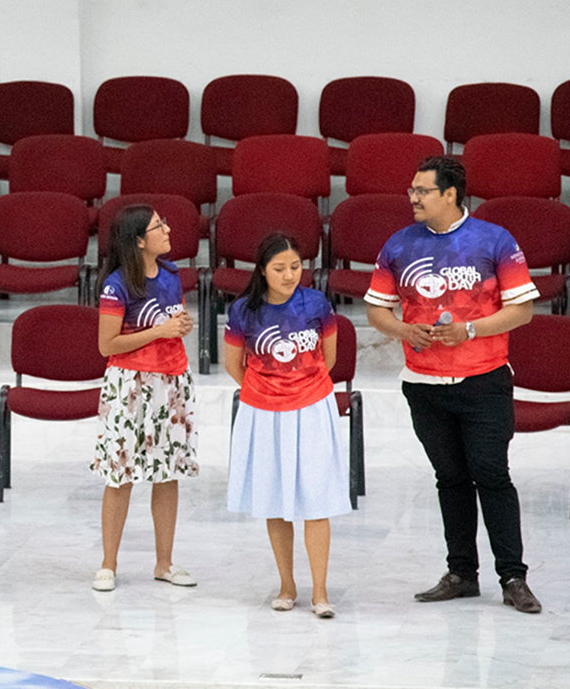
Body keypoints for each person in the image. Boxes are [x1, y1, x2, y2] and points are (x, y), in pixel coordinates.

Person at [364, 155, 541, 614]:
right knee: (450, 479)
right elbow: (376, 310)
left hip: (484, 379)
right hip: (424, 384)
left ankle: (513, 577)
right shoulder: (399, 244)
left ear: (450, 194)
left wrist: (470, 330)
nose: (413, 197)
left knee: (492, 475)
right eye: (412, 190)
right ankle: (461, 573)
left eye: (422, 190)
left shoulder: (495, 240)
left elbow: (522, 309)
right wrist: (403, 330)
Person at [224, 232, 349, 618]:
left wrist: (300, 388)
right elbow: (233, 364)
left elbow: (328, 358)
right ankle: (286, 585)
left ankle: (320, 592)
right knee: (274, 499)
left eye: (295, 267)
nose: (290, 275)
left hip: (312, 407)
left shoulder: (317, 304)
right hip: (263, 413)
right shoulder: (243, 310)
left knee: (316, 498)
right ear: (262, 270)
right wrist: (267, 391)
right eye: (279, 268)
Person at [92, 204, 198, 593]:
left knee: (167, 473)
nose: (167, 229)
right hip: (130, 385)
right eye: (158, 225)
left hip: (171, 381)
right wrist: (159, 331)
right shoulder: (117, 285)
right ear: (139, 240)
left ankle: (164, 563)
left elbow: (171, 323)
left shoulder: (171, 274)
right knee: (120, 474)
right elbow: (108, 344)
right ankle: (108, 564)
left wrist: (180, 327)